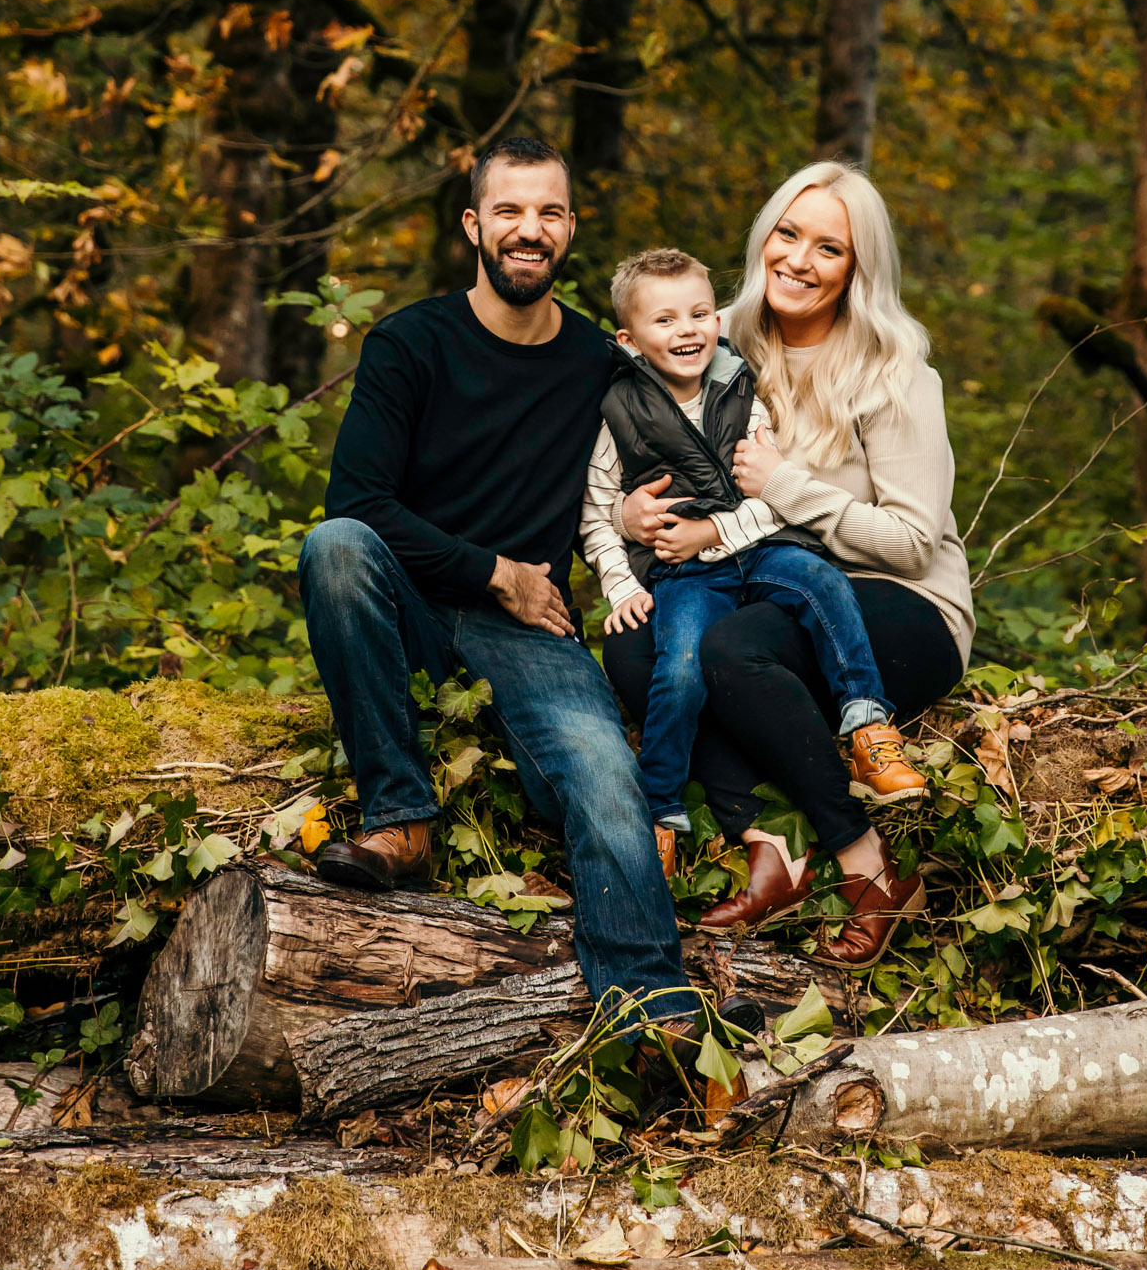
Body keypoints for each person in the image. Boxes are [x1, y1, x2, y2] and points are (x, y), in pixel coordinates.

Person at [297, 134, 695, 1032]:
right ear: (474, 224)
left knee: (599, 772)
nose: (530, 229)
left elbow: (688, 419)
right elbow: (361, 502)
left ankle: (651, 1010)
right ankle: (401, 817)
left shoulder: (601, 361)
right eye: (510, 211)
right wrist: (497, 571)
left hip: (531, 629)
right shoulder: (410, 343)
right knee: (336, 545)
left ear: (570, 230)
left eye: (549, 212)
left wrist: (637, 520)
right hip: (411, 604)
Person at [601, 162, 973, 968]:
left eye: (829, 248)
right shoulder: (716, 335)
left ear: (858, 268)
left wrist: (788, 487)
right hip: (750, 576)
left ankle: (866, 864)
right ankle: (768, 845)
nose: (799, 259)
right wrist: (629, 516)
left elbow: (913, 540)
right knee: (636, 646)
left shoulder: (897, 373)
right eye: (788, 233)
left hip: (894, 598)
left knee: (735, 650)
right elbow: (625, 435)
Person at [580, 246, 915, 900]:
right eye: (666, 320)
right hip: (685, 578)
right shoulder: (615, 413)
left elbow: (768, 496)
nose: (688, 330)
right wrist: (620, 584)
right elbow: (597, 511)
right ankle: (660, 810)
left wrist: (717, 529)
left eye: (701, 313)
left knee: (822, 582)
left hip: (757, 549)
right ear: (628, 339)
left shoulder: (739, 391)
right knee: (676, 668)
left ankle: (868, 719)